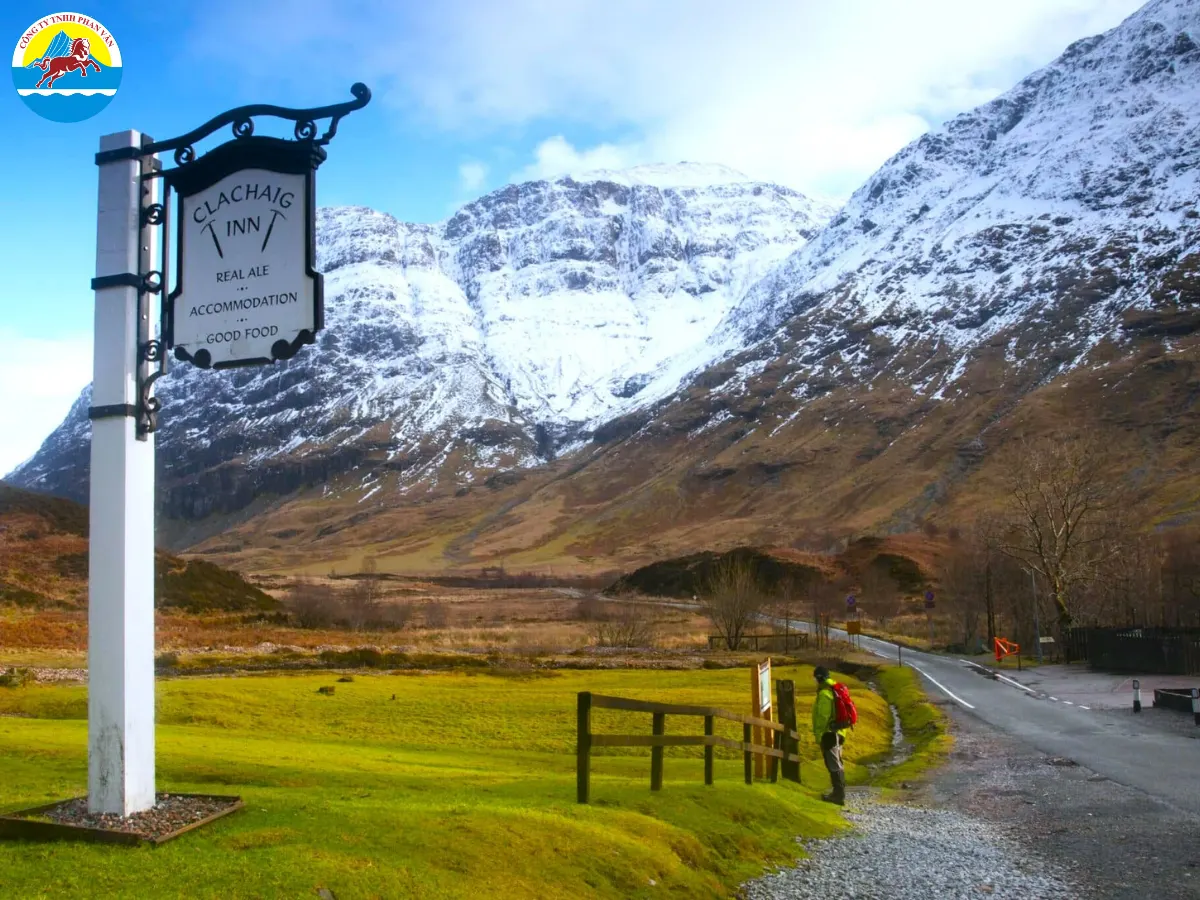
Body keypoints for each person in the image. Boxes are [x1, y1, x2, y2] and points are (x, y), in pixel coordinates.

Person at [811, 666, 846, 805]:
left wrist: (819, 736)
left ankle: (838, 795)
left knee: (833, 764)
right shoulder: (834, 690)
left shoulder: (825, 694)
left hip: (829, 734)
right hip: (839, 732)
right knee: (838, 762)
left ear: (819, 678)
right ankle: (838, 792)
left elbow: (822, 718)